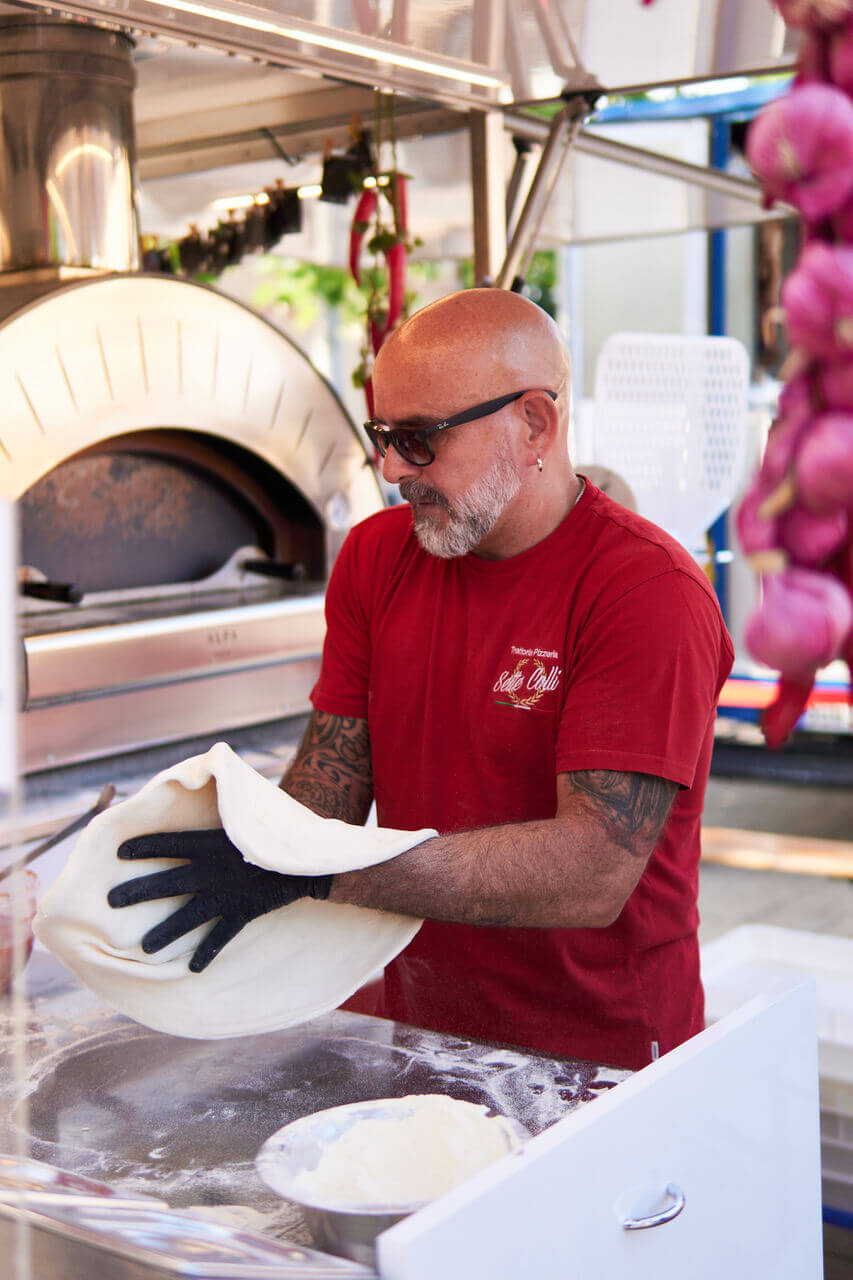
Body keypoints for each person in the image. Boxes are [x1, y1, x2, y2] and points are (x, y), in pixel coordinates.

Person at [110, 289, 734, 1071]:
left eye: (418, 439)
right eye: (382, 436)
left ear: (533, 423)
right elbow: (333, 778)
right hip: (424, 1028)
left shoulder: (644, 592)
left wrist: (326, 873)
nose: (391, 469)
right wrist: (244, 844)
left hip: (601, 1058)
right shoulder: (375, 559)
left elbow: (591, 871)